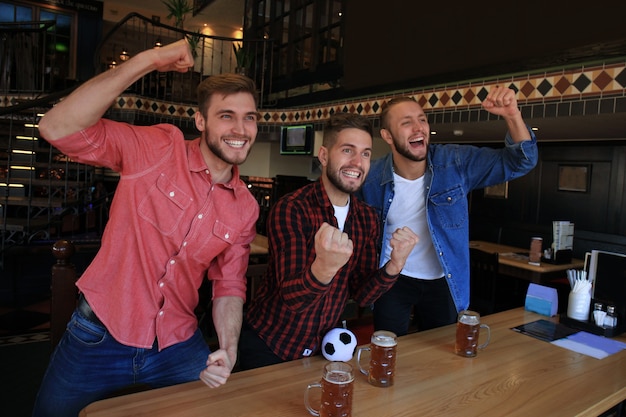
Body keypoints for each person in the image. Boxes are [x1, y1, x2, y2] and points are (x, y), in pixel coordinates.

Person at [32, 39, 260, 417]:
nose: (240, 128)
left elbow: (229, 285)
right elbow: (56, 127)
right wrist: (149, 60)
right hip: (100, 332)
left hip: (177, 342)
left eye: (249, 117)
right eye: (226, 115)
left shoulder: (245, 208)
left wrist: (229, 346)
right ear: (201, 121)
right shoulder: (157, 148)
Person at [238, 112, 419, 370]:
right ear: (323, 156)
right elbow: (294, 298)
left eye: (366, 153)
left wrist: (395, 265)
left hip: (323, 346)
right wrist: (325, 266)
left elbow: (362, 294)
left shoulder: (367, 218)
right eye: (347, 150)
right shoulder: (292, 209)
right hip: (271, 345)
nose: (358, 162)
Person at [357, 86, 538, 336]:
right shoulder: (371, 176)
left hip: (444, 279)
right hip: (393, 278)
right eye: (407, 123)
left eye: (422, 119)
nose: (419, 127)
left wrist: (512, 116)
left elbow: (521, 162)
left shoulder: (454, 162)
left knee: (443, 357)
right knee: (389, 349)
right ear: (387, 136)